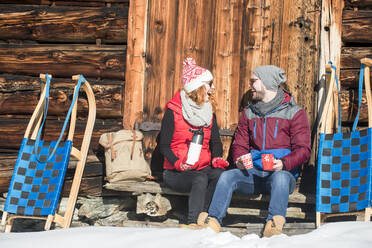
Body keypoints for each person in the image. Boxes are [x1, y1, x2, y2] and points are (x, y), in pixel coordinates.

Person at [198, 65, 311, 237]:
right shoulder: (249, 113)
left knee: (280, 179)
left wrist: (283, 164)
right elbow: (240, 144)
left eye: (253, 81)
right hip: (253, 174)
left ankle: (273, 226)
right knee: (227, 176)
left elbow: (303, 149)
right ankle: (212, 222)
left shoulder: (294, 113)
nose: (250, 85)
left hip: (280, 174)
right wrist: (239, 160)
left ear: (266, 83)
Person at [159, 58, 229, 227]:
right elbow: (164, 145)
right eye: (209, 84)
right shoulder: (173, 111)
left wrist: (217, 158)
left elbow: (215, 142)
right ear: (197, 86)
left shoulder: (208, 112)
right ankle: (192, 222)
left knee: (221, 175)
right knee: (199, 179)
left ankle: (204, 216)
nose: (212, 88)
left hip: (202, 167)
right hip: (176, 172)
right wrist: (177, 163)